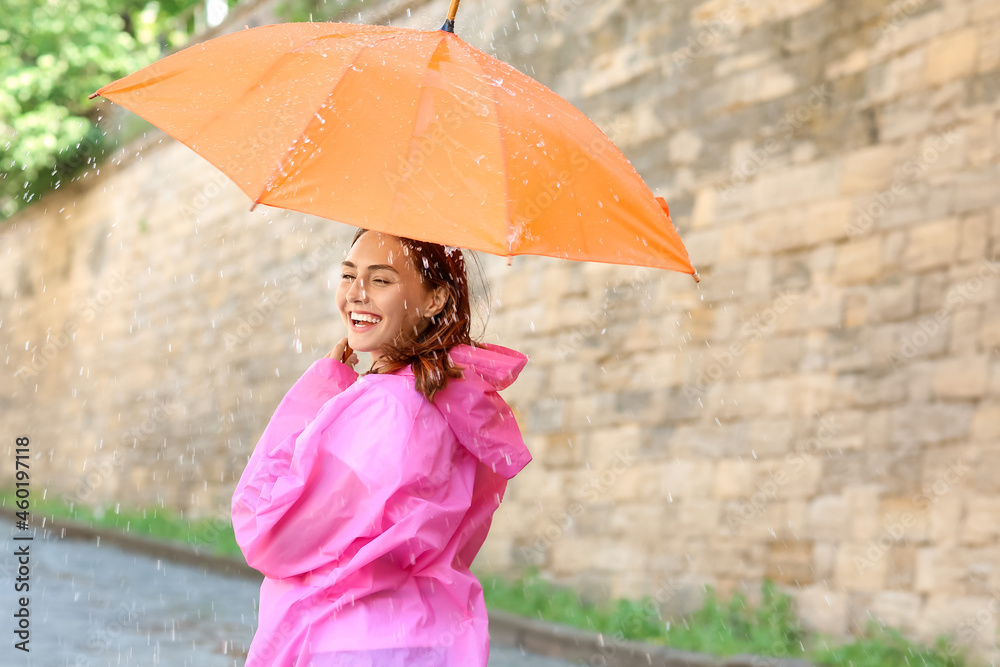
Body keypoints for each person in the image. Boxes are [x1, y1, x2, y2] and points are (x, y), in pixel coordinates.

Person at [231, 228, 532, 666]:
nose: (356, 294)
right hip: (431, 642)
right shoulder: (456, 400)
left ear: (436, 299)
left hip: (344, 643)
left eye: (381, 280)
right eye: (348, 275)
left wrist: (317, 392)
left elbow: (269, 535)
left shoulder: (385, 409)